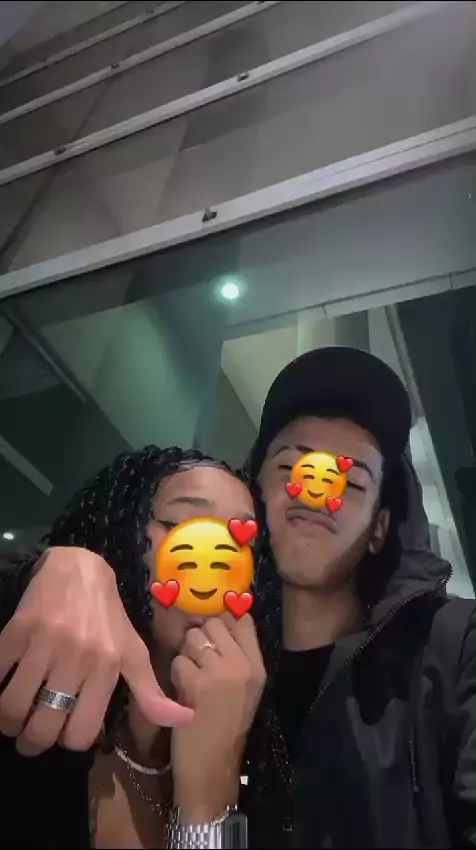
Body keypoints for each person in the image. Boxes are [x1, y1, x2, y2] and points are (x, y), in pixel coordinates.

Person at [1, 346, 475, 848]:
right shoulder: (167, 676)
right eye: (292, 466)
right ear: (257, 494)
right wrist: (63, 566)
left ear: (380, 527)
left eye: (352, 483)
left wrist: (211, 791)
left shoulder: (450, 647)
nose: (317, 494)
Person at [0, 446, 265, 848]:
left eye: (243, 542)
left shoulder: (261, 756)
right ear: (118, 535)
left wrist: (212, 792)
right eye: (186, 524)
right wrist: (55, 567)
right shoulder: (27, 665)